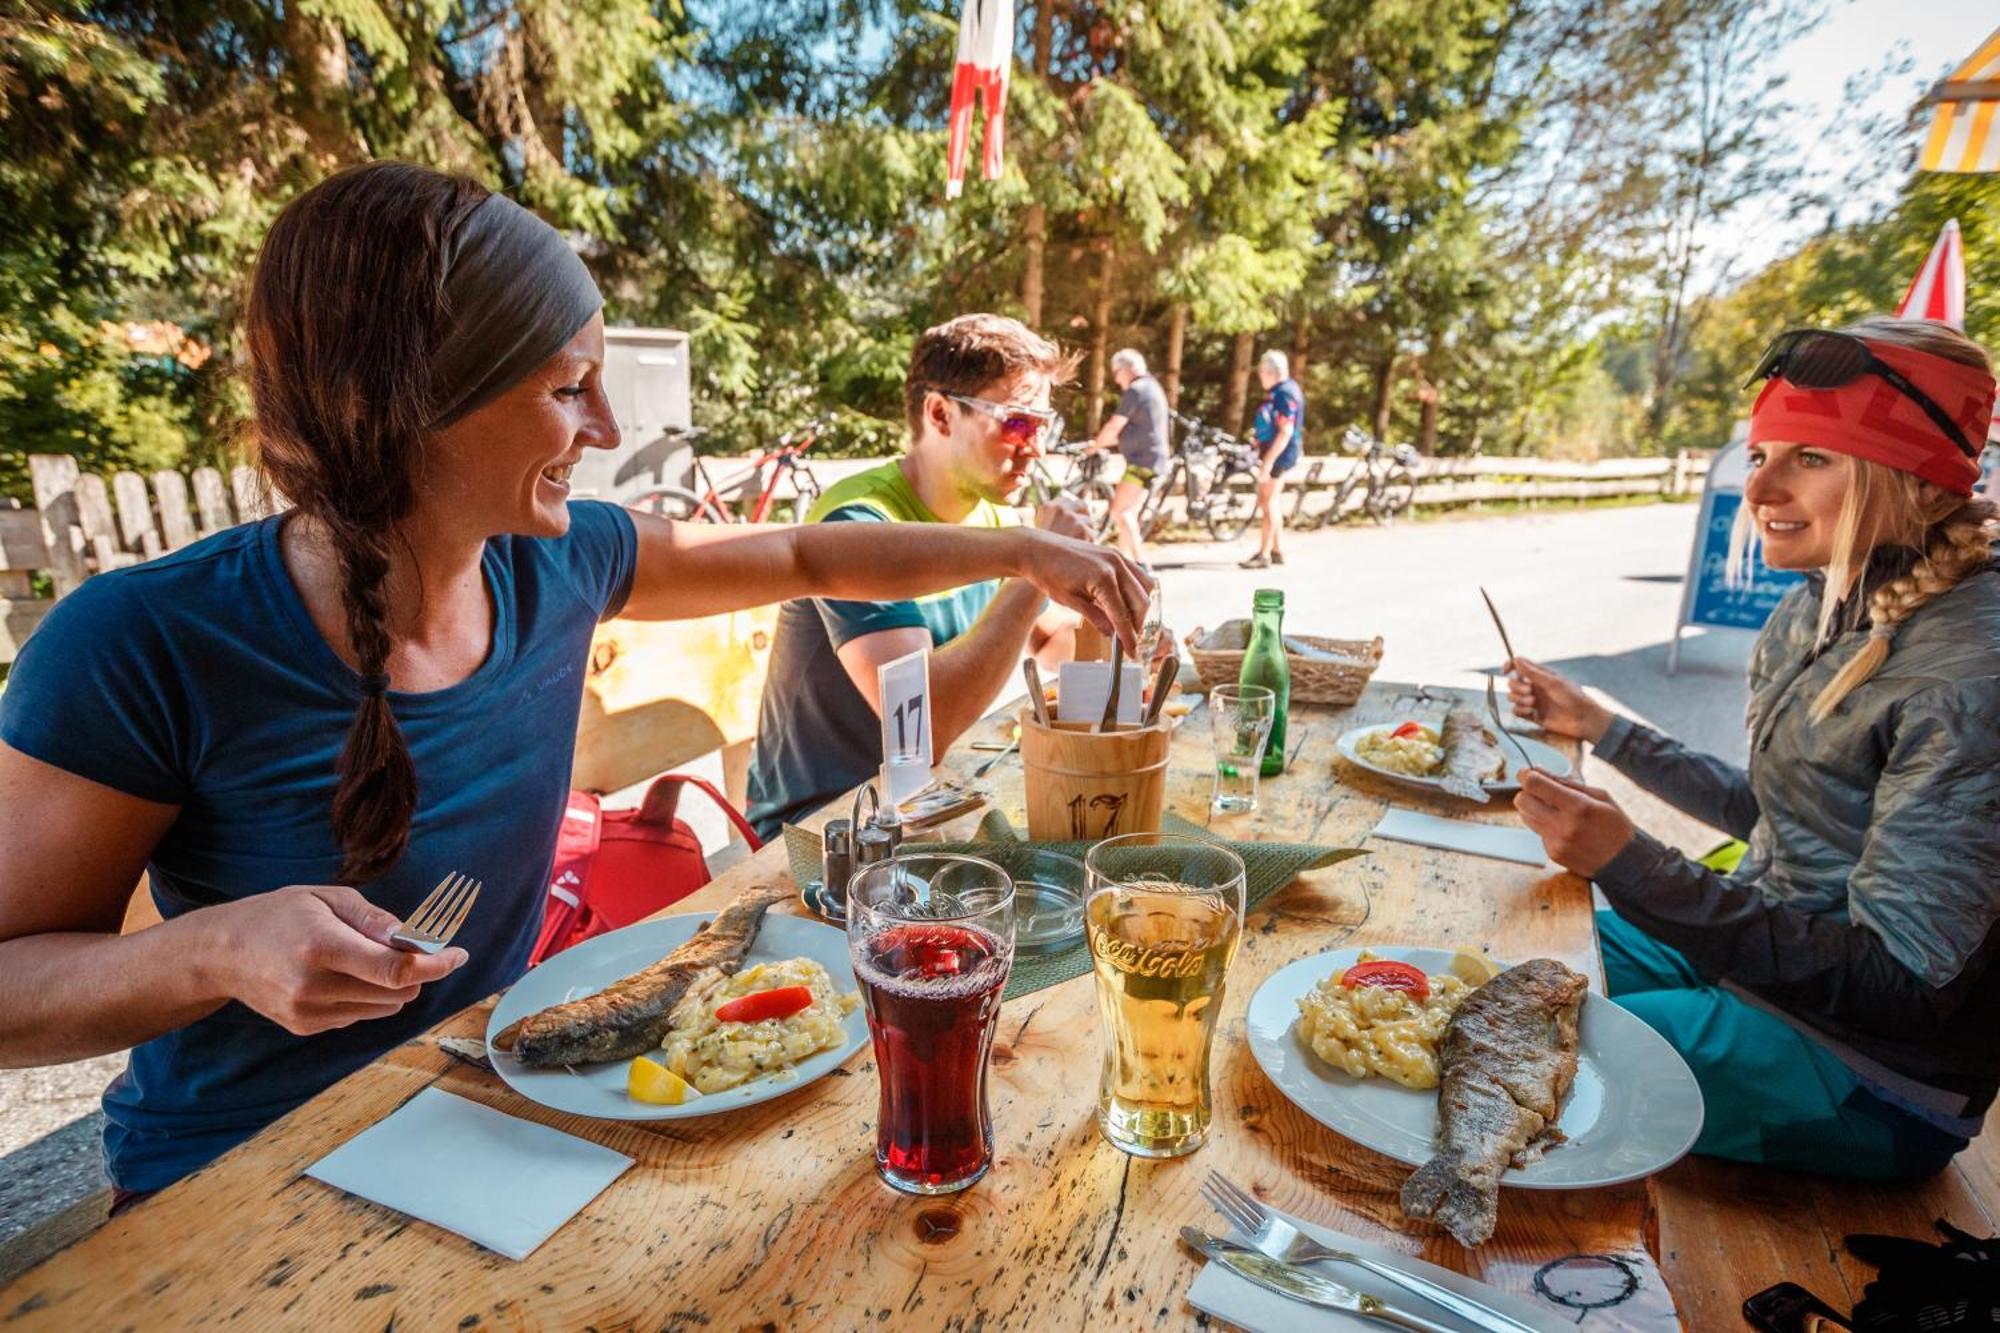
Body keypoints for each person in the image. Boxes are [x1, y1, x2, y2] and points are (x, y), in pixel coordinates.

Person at [0, 165, 1150, 1201]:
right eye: (566, 389)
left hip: (505, 1112)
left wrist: (1023, 553)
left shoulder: (562, 559)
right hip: (246, 1182)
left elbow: (806, 555)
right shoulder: (139, 641)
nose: (603, 428)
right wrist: (211, 950)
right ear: (412, 403)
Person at [1508, 316, 1999, 1180]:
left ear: (1915, 479)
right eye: (1763, 450)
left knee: (1505, 1057)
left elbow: (1905, 985)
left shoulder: (1970, 673)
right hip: (1756, 965)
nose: (1759, 484)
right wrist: (1603, 727)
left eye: (1812, 457)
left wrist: (1635, 864)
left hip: (1871, 1074)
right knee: (1501, 963)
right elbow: (1791, 813)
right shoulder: (1824, 598)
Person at [745, 314, 1104, 838]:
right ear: (940, 413)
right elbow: (922, 730)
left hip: (926, 804)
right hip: (829, 828)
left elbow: (1045, 640)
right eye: (1019, 422)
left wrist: (1116, 626)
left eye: (1047, 426)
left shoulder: (995, 518)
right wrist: (1033, 566)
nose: (1038, 447)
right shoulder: (858, 523)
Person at [1084, 348, 1170, 560]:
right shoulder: (1152, 387)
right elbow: (1130, 431)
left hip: (1142, 461)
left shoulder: (1136, 390)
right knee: (1127, 515)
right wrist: (1101, 443)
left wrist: (1093, 447)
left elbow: (1115, 425)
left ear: (1127, 368)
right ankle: (1125, 562)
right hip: (1154, 459)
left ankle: (1141, 565)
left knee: (1119, 512)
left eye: (1116, 372)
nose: (1116, 379)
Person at [1241, 349, 1303, 569]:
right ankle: (1277, 550)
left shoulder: (1284, 393)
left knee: (1268, 502)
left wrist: (1267, 462)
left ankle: (1264, 554)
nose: (1259, 377)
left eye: (1261, 372)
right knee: (1271, 500)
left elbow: (1285, 431)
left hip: (1279, 453)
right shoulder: (1283, 390)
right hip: (1278, 452)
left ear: (1269, 372)